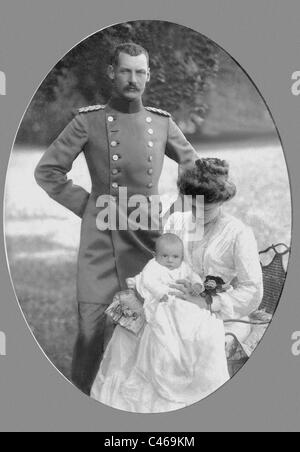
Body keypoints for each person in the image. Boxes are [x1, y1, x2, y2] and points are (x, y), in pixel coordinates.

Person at [34, 42, 198, 395]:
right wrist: (89, 207)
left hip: (147, 242)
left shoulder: (161, 122)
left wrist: (173, 212)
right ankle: (80, 401)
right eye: (125, 70)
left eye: (140, 72)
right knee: (91, 329)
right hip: (100, 243)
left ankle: (139, 404)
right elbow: (48, 170)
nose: (133, 79)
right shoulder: (88, 121)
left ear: (149, 76)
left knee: (150, 329)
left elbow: (193, 168)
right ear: (112, 72)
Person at [91, 233, 229, 413]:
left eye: (175, 257)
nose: (170, 261)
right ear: (156, 255)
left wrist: (197, 286)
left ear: (181, 257)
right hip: (159, 300)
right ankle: (169, 341)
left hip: (179, 300)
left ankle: (186, 341)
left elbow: (194, 277)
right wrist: (160, 294)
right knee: (164, 320)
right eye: (165, 256)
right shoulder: (153, 266)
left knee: (191, 315)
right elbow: (149, 282)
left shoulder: (184, 268)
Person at [166, 158, 264, 349]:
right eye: (193, 206)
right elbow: (164, 266)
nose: (198, 214)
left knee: (206, 347)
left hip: (224, 316)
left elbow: (252, 289)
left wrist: (211, 303)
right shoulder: (176, 222)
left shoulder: (238, 233)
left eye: (206, 209)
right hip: (179, 308)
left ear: (221, 201)